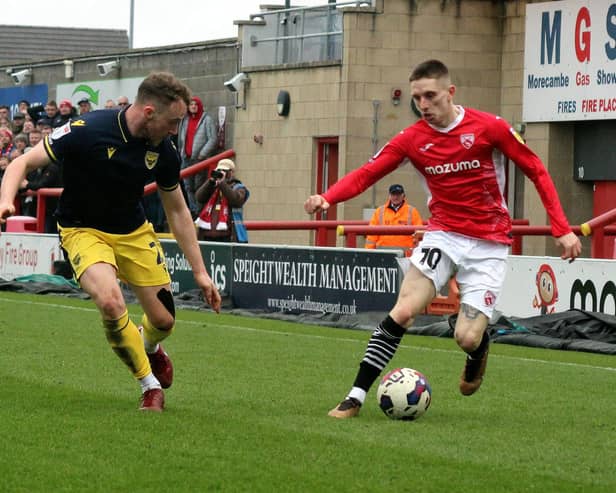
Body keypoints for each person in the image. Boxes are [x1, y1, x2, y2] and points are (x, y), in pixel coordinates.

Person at [304, 59, 581, 419]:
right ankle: (355, 396)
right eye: (418, 97)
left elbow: (536, 170)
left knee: (466, 337)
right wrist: (330, 197)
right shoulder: (413, 139)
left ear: (450, 93)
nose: (424, 104)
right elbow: (368, 173)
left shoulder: (489, 128)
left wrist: (561, 227)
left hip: (489, 243)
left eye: (431, 96)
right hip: (443, 235)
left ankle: (478, 350)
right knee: (403, 310)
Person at [0, 71, 222, 412]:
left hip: (133, 232)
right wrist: (5, 200)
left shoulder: (164, 149)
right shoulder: (86, 130)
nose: (175, 130)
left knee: (163, 322)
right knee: (111, 302)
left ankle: (150, 347)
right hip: (82, 230)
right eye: (173, 122)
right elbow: (22, 163)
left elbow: (177, 210)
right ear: (149, 113)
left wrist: (201, 273)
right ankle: (149, 386)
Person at [177, 96, 217, 217]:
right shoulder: (185, 120)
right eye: (191, 104)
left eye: (195, 104)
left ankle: (199, 211)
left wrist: (202, 154)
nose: (193, 106)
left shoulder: (207, 120)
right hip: (186, 158)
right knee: (188, 186)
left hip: (199, 159)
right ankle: (193, 210)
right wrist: (181, 152)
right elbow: (180, 138)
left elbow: (213, 139)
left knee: (198, 186)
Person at [195, 158, 249, 242]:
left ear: (231, 173)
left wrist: (222, 183)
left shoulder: (238, 188)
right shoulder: (212, 186)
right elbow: (199, 197)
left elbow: (236, 201)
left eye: (224, 171)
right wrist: (210, 182)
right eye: (219, 170)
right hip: (206, 235)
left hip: (228, 236)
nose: (221, 173)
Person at [365, 183, 423, 255]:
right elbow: (371, 236)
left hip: (405, 256)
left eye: (398, 194)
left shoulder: (412, 211)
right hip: (383, 255)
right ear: (389, 196)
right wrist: (369, 253)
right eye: (393, 194)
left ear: (403, 196)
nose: (396, 197)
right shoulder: (379, 211)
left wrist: (417, 255)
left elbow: (419, 234)